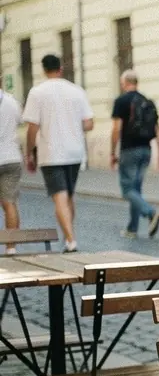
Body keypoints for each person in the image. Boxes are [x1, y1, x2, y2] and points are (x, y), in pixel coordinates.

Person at [23, 54, 94, 252]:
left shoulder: (37, 93)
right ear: (60, 68)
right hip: (75, 151)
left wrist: (29, 153)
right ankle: (69, 237)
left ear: (44, 70)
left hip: (51, 153)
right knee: (69, 196)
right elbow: (89, 123)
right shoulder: (76, 91)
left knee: (60, 196)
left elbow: (32, 127)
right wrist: (73, 124)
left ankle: (71, 240)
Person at [110, 70, 159, 239]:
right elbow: (157, 129)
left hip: (129, 150)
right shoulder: (147, 102)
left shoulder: (121, 101)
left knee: (127, 191)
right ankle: (132, 229)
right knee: (136, 190)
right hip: (146, 150)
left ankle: (151, 212)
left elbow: (116, 129)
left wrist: (112, 152)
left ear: (124, 83)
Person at [0, 90, 23, 252]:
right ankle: (11, 248)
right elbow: (20, 121)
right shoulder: (12, 102)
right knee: (10, 203)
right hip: (11, 157)